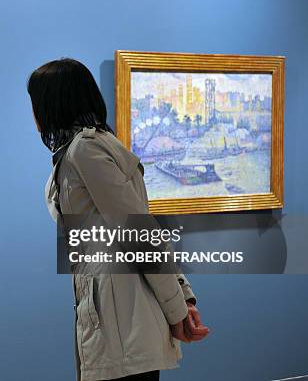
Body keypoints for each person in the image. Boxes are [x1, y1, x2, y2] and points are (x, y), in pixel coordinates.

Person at [28, 58, 210, 381]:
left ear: (51, 104)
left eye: (35, 103)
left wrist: (180, 309)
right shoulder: (84, 151)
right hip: (120, 325)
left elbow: (141, 234)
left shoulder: (86, 151)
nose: (33, 114)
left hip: (123, 330)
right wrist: (183, 298)